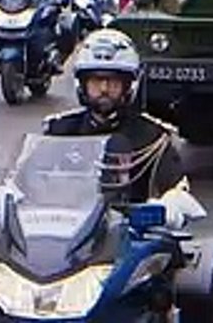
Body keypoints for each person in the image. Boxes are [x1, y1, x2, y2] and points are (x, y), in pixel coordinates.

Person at [43, 29, 187, 207]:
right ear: (82, 84)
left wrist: (173, 204)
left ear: (129, 86)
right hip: (66, 226)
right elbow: (29, 183)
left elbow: (177, 189)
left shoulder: (152, 137)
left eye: (113, 82)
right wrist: (6, 196)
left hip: (129, 229)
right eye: (96, 81)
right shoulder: (59, 131)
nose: (104, 89)